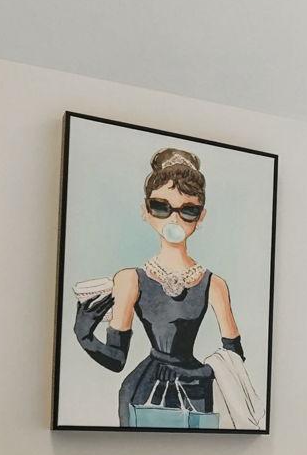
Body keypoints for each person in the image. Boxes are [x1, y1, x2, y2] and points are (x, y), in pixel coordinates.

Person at [73, 146, 252, 428]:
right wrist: (83, 335)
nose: (174, 219)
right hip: (145, 390)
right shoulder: (130, 279)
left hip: (197, 389)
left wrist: (206, 372)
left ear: (201, 216)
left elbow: (234, 357)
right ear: (146, 211)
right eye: (161, 207)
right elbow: (117, 359)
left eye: (188, 211)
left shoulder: (214, 284)